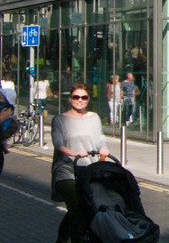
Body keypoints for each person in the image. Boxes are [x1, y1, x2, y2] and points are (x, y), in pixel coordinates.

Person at [51, 82, 110, 242]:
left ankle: (62, 238)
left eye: (84, 97)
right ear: (70, 99)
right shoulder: (60, 119)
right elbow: (58, 144)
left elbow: (99, 139)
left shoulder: (94, 117)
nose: (80, 100)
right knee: (77, 206)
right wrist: (74, 153)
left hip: (88, 170)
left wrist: (103, 148)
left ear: (88, 99)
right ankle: (79, 239)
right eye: (76, 97)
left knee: (81, 207)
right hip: (66, 170)